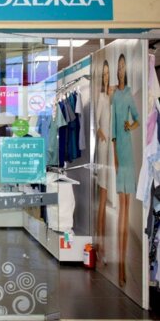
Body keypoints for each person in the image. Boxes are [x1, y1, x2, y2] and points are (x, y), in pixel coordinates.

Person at [112, 53, 140, 287]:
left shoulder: (129, 93)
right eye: (118, 67)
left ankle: (123, 266)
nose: (121, 70)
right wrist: (114, 158)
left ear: (126, 70)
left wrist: (130, 125)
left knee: (125, 207)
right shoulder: (114, 95)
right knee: (121, 208)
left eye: (123, 67)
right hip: (118, 151)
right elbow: (112, 128)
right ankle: (120, 265)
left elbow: (137, 119)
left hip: (128, 151)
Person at [95, 59, 112, 265]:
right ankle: (101, 245)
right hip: (103, 146)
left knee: (107, 197)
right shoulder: (101, 97)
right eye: (104, 74)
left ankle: (103, 244)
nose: (106, 77)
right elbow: (96, 123)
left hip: (114, 148)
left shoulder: (114, 96)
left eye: (108, 73)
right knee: (103, 195)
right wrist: (100, 133)